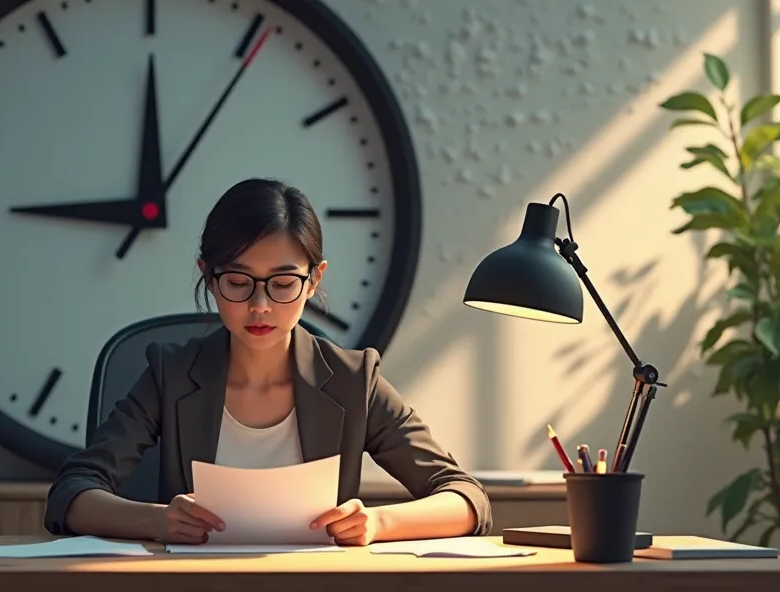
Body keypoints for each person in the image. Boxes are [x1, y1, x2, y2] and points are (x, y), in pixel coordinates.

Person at [43, 178, 491, 545]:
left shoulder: (354, 381)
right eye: (238, 282)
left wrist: (378, 524)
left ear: (314, 280)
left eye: (282, 283)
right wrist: (157, 521)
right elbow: (71, 494)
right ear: (208, 275)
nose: (260, 305)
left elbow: (467, 498)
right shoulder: (171, 374)